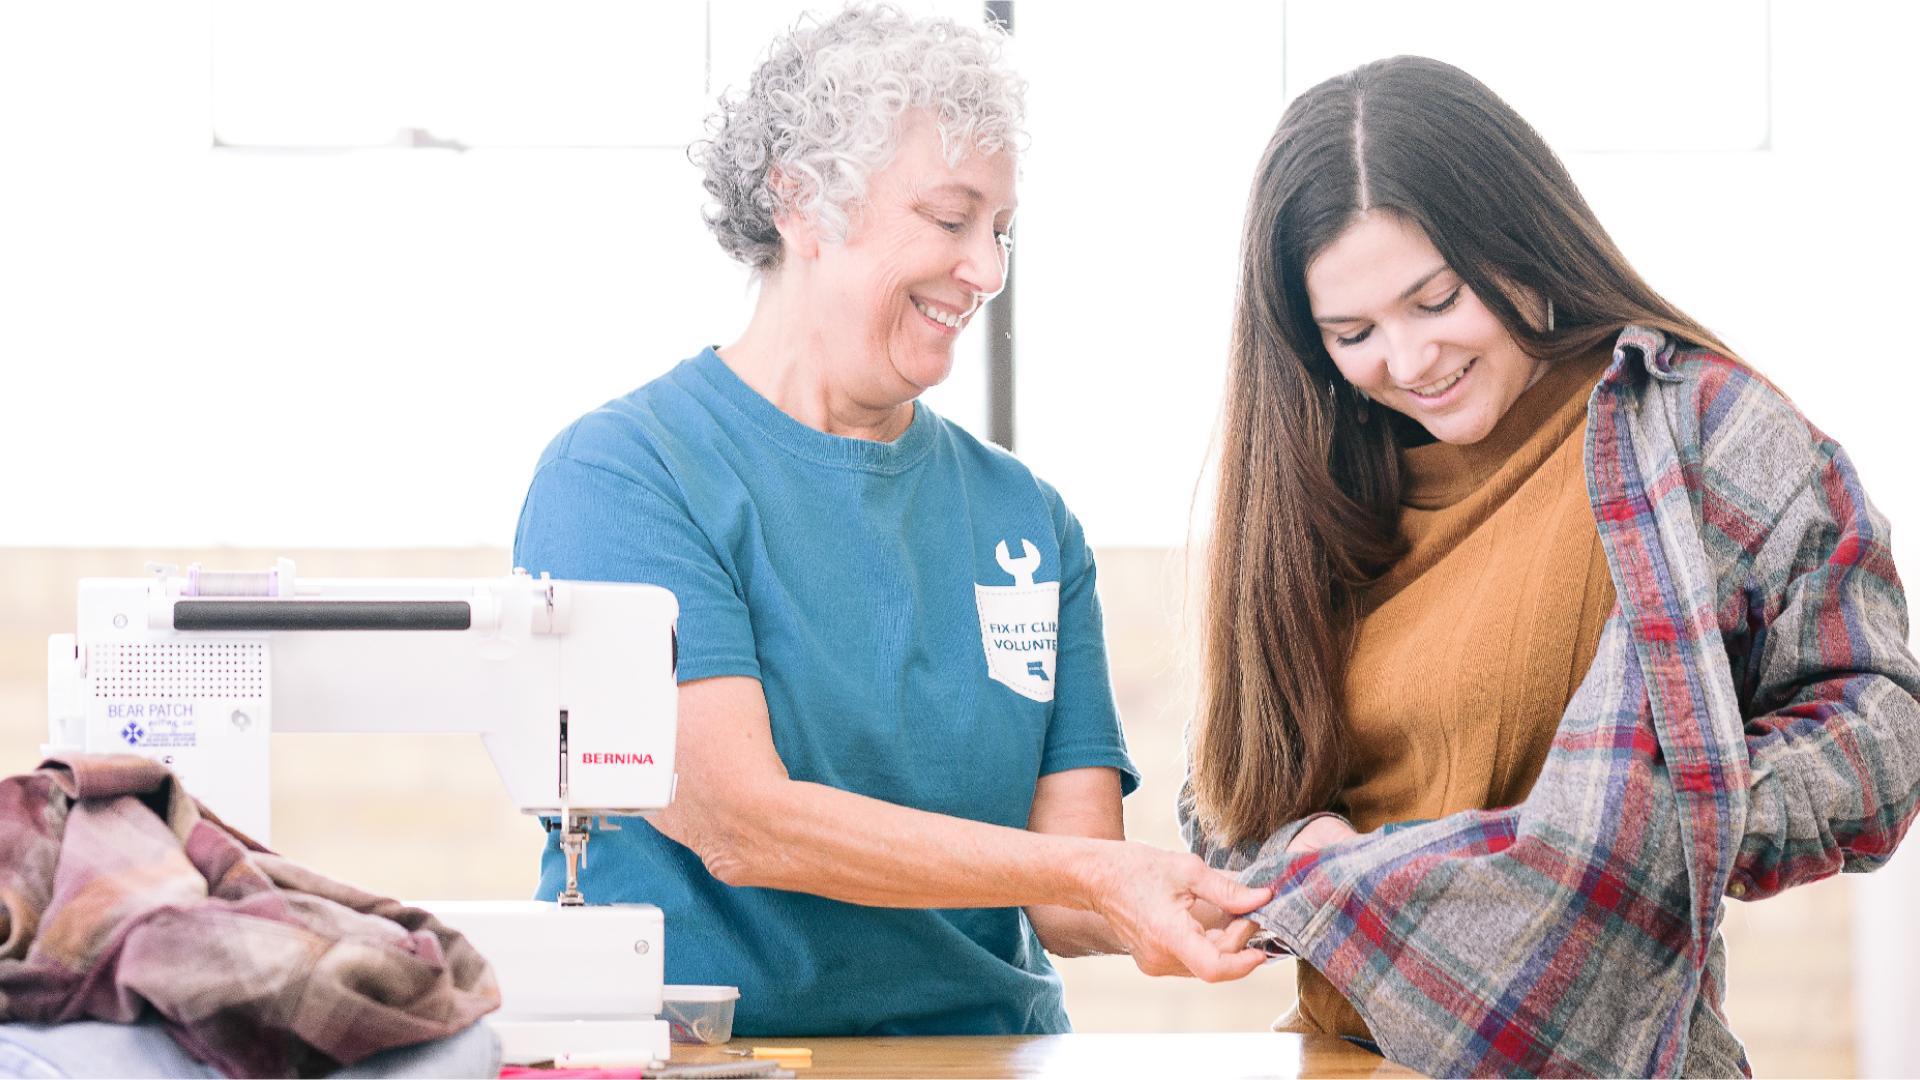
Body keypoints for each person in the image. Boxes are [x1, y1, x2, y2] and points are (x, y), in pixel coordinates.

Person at [512, 4, 1271, 1039]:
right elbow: (742, 823)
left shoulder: (1028, 520)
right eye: (951, 219)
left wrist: (1199, 898)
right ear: (803, 201)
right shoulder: (626, 476)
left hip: (986, 1053)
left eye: (1000, 231)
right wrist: (1098, 874)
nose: (988, 272)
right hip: (709, 1056)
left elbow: (1063, 894)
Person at [1180, 55, 1920, 1077]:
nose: (1409, 361)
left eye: (1437, 300)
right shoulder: (1315, 486)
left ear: (1516, 241)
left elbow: (1880, 727)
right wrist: (1303, 858)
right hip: (1346, 1057)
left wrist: (1658, 833)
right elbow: (1226, 792)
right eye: (1352, 333)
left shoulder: (1700, 432)